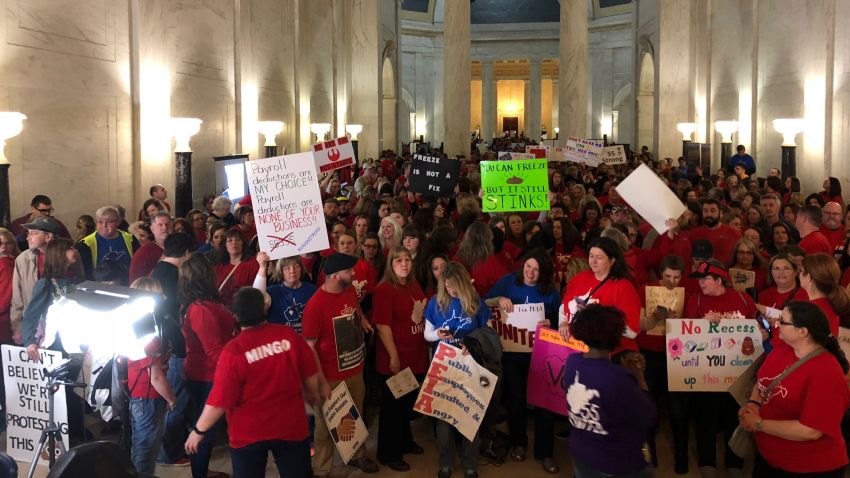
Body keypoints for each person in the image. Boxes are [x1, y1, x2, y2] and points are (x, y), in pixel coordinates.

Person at [184, 287, 322, 478]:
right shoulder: (288, 335)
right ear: (264, 309)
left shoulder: (233, 351)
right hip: (290, 424)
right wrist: (313, 394)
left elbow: (219, 400)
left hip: (248, 432)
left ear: (236, 316)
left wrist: (198, 431)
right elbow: (310, 373)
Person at [739, 302, 850, 477]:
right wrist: (754, 403)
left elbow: (811, 430)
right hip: (769, 457)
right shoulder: (783, 348)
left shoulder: (826, 372)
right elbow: (762, 382)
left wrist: (759, 424)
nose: (776, 324)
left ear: (803, 331)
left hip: (806, 467)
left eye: (783, 321)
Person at [302, 253, 379, 477]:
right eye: (349, 271)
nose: (354, 274)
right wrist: (321, 381)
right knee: (325, 426)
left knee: (355, 416)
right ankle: (322, 469)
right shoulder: (315, 306)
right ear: (335, 275)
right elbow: (309, 347)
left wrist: (362, 319)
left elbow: (354, 307)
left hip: (355, 369)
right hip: (330, 375)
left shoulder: (349, 291)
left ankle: (356, 455)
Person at [485, 249, 561, 473]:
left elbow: (560, 318)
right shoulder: (508, 282)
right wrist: (499, 299)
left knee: (544, 404)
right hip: (512, 354)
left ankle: (545, 452)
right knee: (515, 400)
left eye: (536, 269)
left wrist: (551, 322)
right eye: (528, 266)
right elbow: (484, 302)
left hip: (542, 354)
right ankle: (518, 442)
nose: (530, 272)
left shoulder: (550, 291)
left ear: (543, 272)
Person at [684, 260, 757, 477]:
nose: (701, 284)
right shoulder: (695, 301)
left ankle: (734, 463)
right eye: (699, 279)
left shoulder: (743, 297)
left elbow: (761, 324)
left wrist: (763, 332)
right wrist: (701, 325)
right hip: (707, 373)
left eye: (705, 279)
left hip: (738, 373)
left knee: (734, 417)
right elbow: (685, 337)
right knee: (705, 416)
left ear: (719, 280)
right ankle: (708, 461)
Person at [565, 304, 655, 478]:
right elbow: (648, 415)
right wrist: (639, 376)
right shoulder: (617, 377)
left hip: (581, 453)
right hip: (616, 462)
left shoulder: (572, 362)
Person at [423, 262, 490, 478]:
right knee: (443, 417)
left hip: (470, 365)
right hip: (443, 366)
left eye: (454, 287)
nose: (451, 291)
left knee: (470, 416)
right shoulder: (436, 302)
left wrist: (473, 345)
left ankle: (470, 462)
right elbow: (427, 334)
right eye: (447, 286)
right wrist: (437, 336)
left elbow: (488, 334)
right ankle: (446, 462)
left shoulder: (476, 302)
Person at [372, 247, 428, 471]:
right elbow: (382, 326)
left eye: (407, 260)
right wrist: (393, 356)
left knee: (406, 405)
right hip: (396, 360)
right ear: (391, 265)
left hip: (415, 355)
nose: (404, 264)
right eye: (398, 261)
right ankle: (388, 453)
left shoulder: (414, 284)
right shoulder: (384, 289)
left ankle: (405, 441)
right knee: (392, 410)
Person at [179, 254, 235, 478]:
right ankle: (199, 474)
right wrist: (238, 369)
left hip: (206, 373)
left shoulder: (203, 303)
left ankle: (201, 470)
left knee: (206, 429)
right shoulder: (200, 309)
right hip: (208, 376)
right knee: (204, 430)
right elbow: (214, 350)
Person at [151, 233, 195, 467]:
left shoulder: (158, 271)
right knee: (175, 401)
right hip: (175, 346)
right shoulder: (173, 276)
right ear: (187, 253)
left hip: (165, 346)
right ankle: (169, 453)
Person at [126, 277, 178, 475]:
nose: (164, 296)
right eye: (159, 293)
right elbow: (155, 377)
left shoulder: (135, 325)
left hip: (139, 394)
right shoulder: (147, 335)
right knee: (146, 447)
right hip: (147, 396)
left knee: (140, 444)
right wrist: (172, 399)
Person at [559, 236, 641, 357]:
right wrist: (563, 323)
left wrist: (596, 317)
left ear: (612, 261)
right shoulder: (579, 278)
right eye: (591, 256)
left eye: (599, 257)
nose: (593, 261)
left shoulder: (623, 287)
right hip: (579, 350)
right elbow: (563, 307)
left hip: (611, 355)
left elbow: (632, 331)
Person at [21, 237, 84, 360]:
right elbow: (31, 314)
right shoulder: (46, 283)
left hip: (76, 340)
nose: (74, 251)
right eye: (70, 248)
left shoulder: (76, 279)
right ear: (59, 253)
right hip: (55, 343)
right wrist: (29, 341)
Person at [10, 216, 60, 344]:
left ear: (48, 237)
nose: (28, 237)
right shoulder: (22, 259)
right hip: (34, 322)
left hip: (60, 321)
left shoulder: (69, 255)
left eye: (33, 233)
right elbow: (17, 297)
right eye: (28, 234)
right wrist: (17, 327)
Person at [253, 254, 316, 333]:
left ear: (301, 269)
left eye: (296, 266)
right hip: (281, 340)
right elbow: (256, 298)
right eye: (287, 268)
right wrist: (262, 267)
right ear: (281, 271)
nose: (292, 271)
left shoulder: (312, 290)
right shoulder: (273, 291)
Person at [76, 206, 139, 282]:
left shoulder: (130, 239)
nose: (104, 225)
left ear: (118, 222)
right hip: (100, 287)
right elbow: (84, 273)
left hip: (127, 285)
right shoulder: (86, 244)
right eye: (100, 222)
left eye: (109, 221)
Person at [800, 254, 850, 336]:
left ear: (808, 277)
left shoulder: (810, 311)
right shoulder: (833, 303)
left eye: (801, 271)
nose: (799, 275)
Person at [214, 230, 259, 307]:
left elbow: (256, 291)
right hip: (223, 310)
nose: (234, 243)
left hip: (245, 308)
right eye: (230, 240)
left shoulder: (253, 264)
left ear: (243, 243)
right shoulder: (219, 266)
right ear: (225, 245)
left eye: (238, 240)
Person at [689, 198, 742, 264]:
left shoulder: (735, 234)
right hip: (701, 272)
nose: (709, 214)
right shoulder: (693, 234)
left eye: (713, 211)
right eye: (705, 211)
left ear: (721, 213)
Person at [129, 212, 173, 283]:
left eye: (167, 224)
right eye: (160, 225)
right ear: (152, 229)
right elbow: (135, 282)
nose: (165, 228)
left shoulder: (178, 247)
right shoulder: (143, 252)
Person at [0, 229, 19, 344]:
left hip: (5, 323)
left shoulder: (5, 263)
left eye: (7, 243)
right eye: (0, 243)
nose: (3, 246)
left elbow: (4, 298)